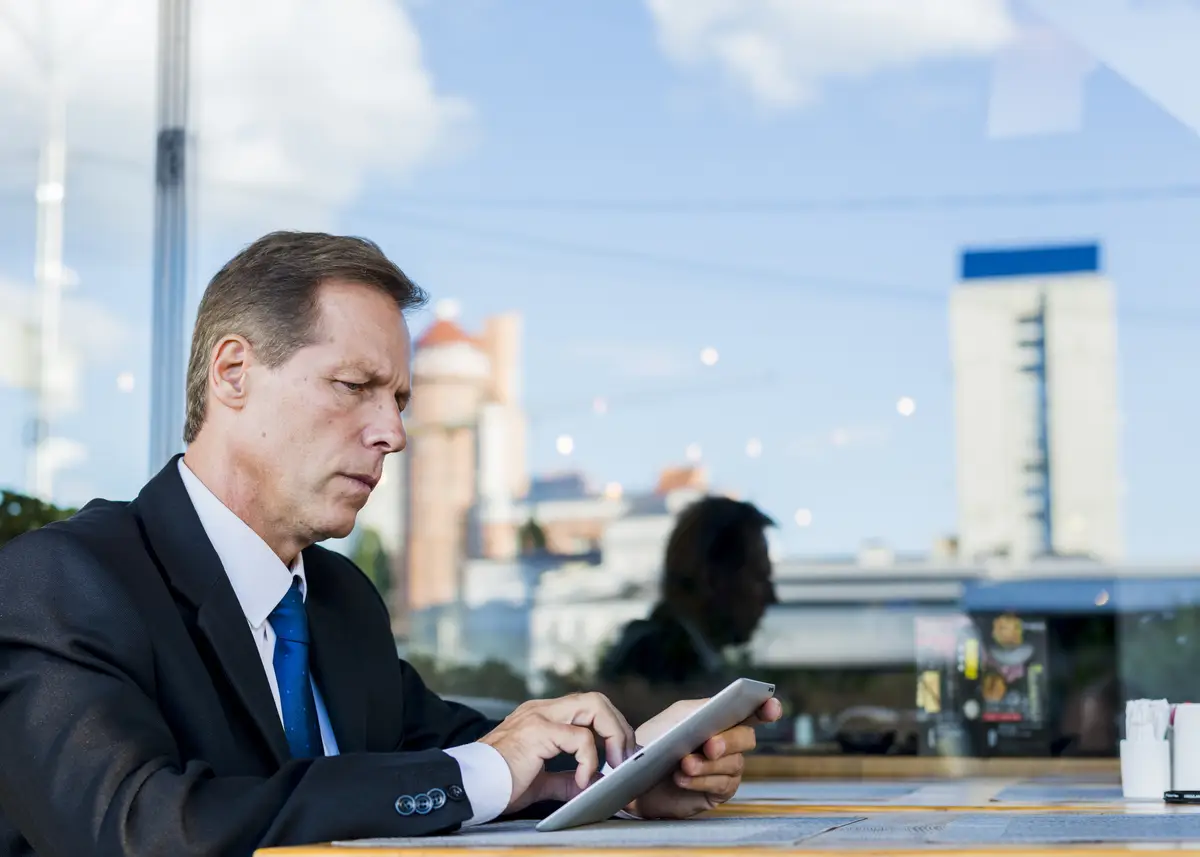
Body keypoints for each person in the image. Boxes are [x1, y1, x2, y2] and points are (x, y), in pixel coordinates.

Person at [0, 232, 781, 856]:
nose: (393, 433)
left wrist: (627, 767)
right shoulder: (64, 582)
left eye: (400, 399)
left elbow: (455, 752)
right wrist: (489, 766)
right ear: (234, 372)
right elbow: (138, 830)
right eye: (355, 386)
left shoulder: (338, 602)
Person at [598, 496, 777, 727]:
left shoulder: (672, 657)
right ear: (712, 580)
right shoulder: (654, 663)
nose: (772, 597)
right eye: (759, 577)